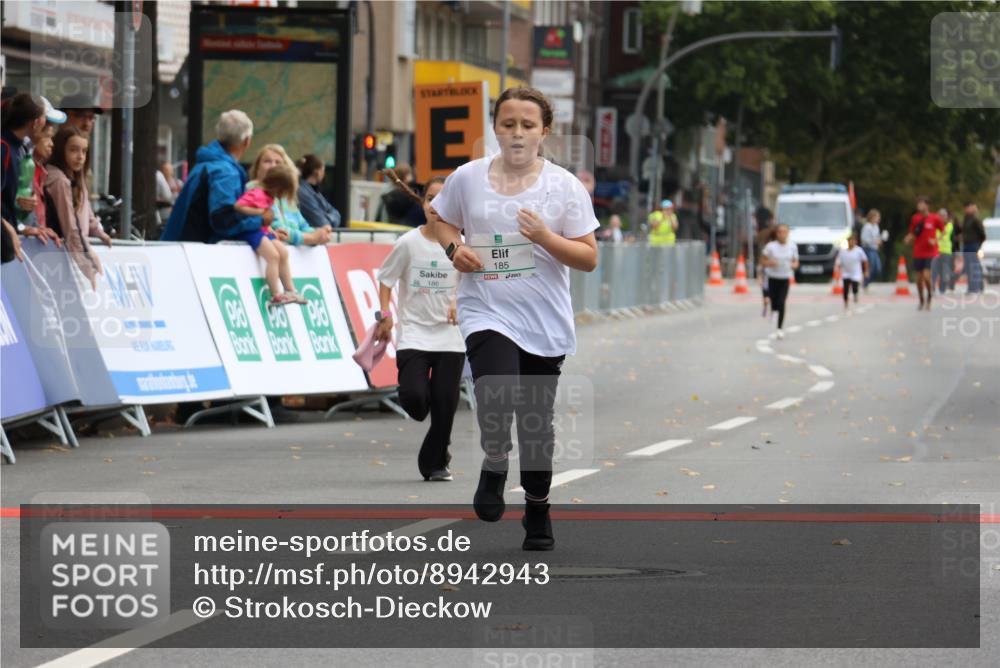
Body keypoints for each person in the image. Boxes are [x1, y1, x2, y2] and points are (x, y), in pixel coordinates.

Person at [429, 86, 599, 551]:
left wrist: (545, 236)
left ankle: (538, 511)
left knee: (536, 423)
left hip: (543, 319)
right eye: (508, 124)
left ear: (544, 131)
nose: (517, 133)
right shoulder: (468, 177)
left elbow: (588, 258)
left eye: (527, 125)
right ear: (495, 128)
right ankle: (495, 461)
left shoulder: (564, 186)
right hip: (486, 307)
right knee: (495, 392)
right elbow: (439, 219)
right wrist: (453, 248)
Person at [375, 176, 465, 482]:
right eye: (429, 199)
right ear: (423, 204)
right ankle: (438, 442)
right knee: (415, 400)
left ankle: (435, 462)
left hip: (451, 338)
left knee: (445, 406)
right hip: (414, 334)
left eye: (441, 200)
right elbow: (386, 281)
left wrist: (458, 302)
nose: (434, 206)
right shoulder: (408, 243)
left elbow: (473, 280)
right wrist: (384, 315)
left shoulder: (461, 244)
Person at [160, 110, 264, 243]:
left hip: (180, 248)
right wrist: (261, 219)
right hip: (195, 254)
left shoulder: (206, 163)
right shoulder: (225, 172)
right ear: (247, 141)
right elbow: (223, 219)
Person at [46, 125, 113, 289]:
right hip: (59, 256)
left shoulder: (77, 177)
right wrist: (85, 260)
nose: (80, 157)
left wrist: (98, 231)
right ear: (61, 150)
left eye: (84, 151)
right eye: (74, 150)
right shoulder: (60, 181)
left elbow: (86, 210)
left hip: (72, 253)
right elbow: (70, 226)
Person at [234, 164, 307, 306]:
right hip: (252, 231)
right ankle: (276, 294)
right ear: (278, 188)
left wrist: (271, 230)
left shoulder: (269, 197)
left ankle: (290, 290)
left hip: (263, 230)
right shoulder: (256, 193)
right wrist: (259, 213)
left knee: (283, 252)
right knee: (273, 256)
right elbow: (238, 206)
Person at [1, 92, 61, 257]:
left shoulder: (21, 149)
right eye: (44, 118)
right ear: (35, 123)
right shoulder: (3, 147)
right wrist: (7, 228)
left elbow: (11, 200)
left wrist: (24, 227)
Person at [247, 145, 332, 247]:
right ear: (257, 169)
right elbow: (278, 229)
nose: (273, 166)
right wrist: (312, 238)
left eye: (278, 162)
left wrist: (319, 234)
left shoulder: (287, 196)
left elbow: (302, 225)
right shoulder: (254, 190)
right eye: (267, 161)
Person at [905, 196, 945, 310]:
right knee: (918, 279)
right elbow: (912, 233)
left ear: (927, 205)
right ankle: (921, 299)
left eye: (922, 204)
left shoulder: (935, 218)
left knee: (927, 277)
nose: (919, 206)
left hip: (931, 252)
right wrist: (908, 238)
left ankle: (930, 296)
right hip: (918, 252)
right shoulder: (915, 218)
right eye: (918, 204)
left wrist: (935, 240)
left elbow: (943, 231)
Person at [761, 223, 798, 338]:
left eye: (784, 232)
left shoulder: (792, 247)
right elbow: (763, 261)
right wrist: (770, 263)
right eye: (780, 232)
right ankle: (773, 310)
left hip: (784, 278)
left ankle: (779, 328)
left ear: (788, 233)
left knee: (782, 302)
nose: (782, 234)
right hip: (772, 277)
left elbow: (796, 262)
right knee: (774, 302)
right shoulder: (770, 247)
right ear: (776, 234)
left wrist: (793, 265)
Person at [296, 154, 342, 228]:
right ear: (317, 172)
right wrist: (329, 217)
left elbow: (336, 213)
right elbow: (321, 223)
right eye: (323, 170)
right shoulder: (303, 193)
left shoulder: (314, 192)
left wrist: (326, 217)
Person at [835, 233, 869, 313]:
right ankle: (846, 303)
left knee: (854, 286)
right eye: (850, 241)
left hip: (856, 272)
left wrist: (866, 271)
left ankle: (855, 294)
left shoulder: (859, 250)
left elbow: (865, 261)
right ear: (848, 242)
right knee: (845, 289)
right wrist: (838, 272)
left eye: (853, 241)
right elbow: (839, 263)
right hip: (846, 272)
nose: (852, 243)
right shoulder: (843, 251)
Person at [958, 201, 986, 294]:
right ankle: (972, 287)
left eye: (968, 207)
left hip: (974, 245)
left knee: (974, 266)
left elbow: (982, 234)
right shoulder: (966, 219)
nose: (966, 209)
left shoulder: (975, 219)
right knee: (969, 267)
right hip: (966, 245)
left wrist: (978, 244)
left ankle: (976, 288)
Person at [932, 207, 955, 295]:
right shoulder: (934, 225)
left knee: (944, 271)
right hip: (936, 251)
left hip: (946, 251)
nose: (942, 217)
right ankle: (932, 287)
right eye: (940, 216)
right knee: (934, 270)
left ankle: (942, 289)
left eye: (944, 216)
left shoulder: (949, 225)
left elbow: (944, 233)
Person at [755, 223, 777, 318]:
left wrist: (759, 276)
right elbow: (762, 262)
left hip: (768, 273)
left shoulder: (767, 245)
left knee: (766, 293)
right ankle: (771, 310)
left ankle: (766, 309)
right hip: (770, 273)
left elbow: (760, 264)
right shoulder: (771, 247)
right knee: (771, 294)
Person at [859, 209, 883, 290]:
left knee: (877, 268)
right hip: (868, 249)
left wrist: (880, 240)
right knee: (871, 267)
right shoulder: (867, 227)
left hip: (874, 249)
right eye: (877, 217)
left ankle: (866, 282)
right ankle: (865, 282)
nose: (878, 219)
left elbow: (877, 237)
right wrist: (874, 241)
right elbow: (864, 239)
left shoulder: (876, 227)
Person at [155, 161, 179, 226]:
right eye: (165, 169)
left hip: (173, 215)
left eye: (168, 170)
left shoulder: (178, 183)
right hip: (162, 215)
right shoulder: (159, 182)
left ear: (172, 171)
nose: (166, 172)